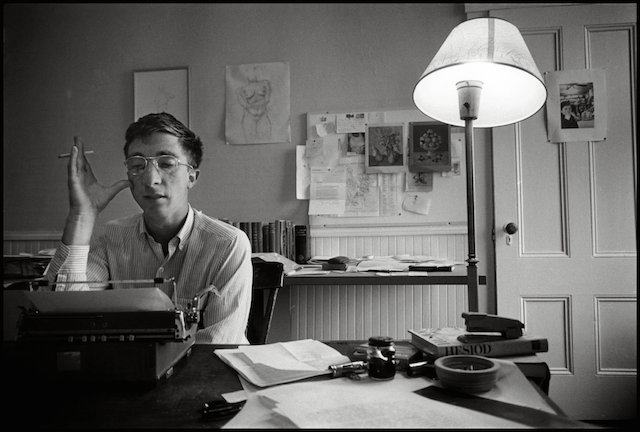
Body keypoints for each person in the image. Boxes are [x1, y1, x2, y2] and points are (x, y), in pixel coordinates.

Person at [44, 112, 253, 344]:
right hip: (130, 375)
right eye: (137, 165)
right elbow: (64, 316)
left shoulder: (228, 244)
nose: (150, 178)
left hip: (201, 377)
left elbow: (217, 347)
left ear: (191, 177)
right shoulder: (110, 237)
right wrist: (81, 215)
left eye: (166, 163)